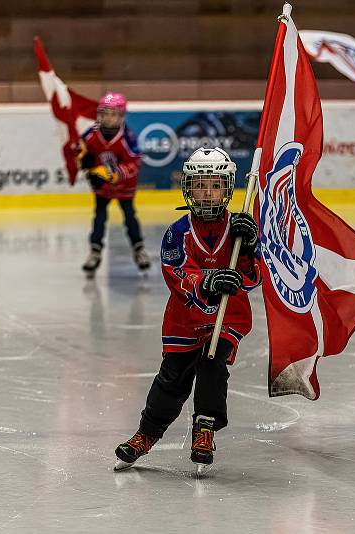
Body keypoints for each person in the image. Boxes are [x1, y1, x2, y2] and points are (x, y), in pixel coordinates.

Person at [114, 147, 261, 471]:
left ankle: (204, 429)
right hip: (185, 320)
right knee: (172, 378)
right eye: (200, 185)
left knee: (212, 365)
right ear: (188, 188)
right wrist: (207, 281)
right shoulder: (178, 233)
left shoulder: (240, 231)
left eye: (215, 185)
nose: (207, 193)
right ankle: (146, 434)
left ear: (227, 188)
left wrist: (251, 248)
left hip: (227, 318)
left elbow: (252, 280)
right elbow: (176, 274)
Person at [78, 92, 150, 277]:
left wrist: (112, 175)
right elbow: (81, 152)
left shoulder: (128, 137)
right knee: (99, 217)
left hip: (124, 186)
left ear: (121, 116)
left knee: (129, 216)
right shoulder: (91, 134)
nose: (108, 118)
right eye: (105, 113)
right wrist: (85, 165)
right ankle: (95, 251)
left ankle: (139, 249)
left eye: (113, 114)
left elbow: (135, 163)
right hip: (102, 187)